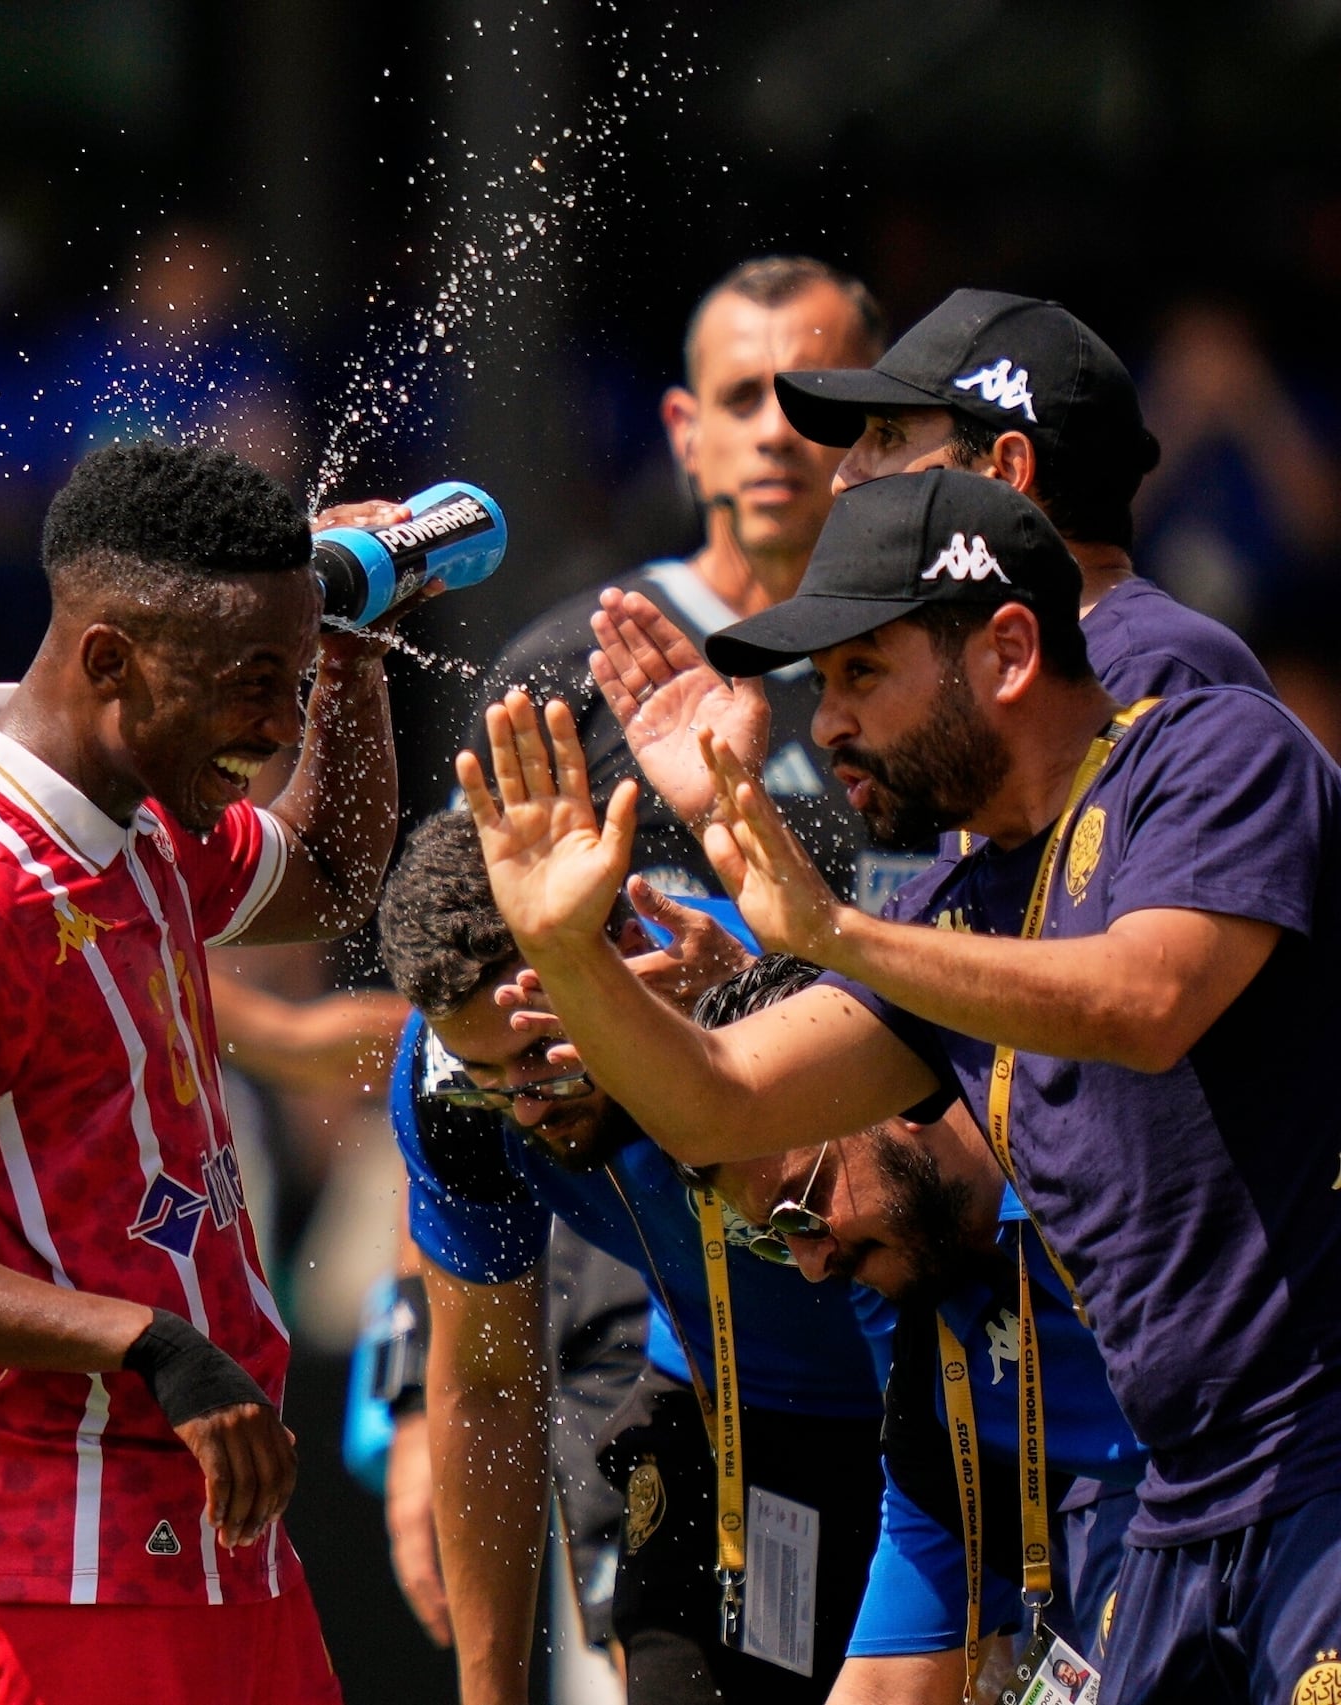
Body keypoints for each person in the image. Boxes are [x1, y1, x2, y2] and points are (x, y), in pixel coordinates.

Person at [465, 468, 1341, 1704]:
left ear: (1009, 648)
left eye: (858, 673)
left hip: (1319, 1469)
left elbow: (1146, 1003)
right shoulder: (962, 903)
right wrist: (561, 945)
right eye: (818, 685)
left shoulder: (1209, 750)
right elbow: (722, 1103)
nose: (823, 726)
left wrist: (832, 932)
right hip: (1182, 1514)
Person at [0, 441, 405, 1705]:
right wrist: (150, 1343)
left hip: (214, 1523)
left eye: (290, 683)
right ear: (110, 659)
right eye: (252, 685)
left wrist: (352, 651)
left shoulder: (140, 816)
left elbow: (331, 873)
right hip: (55, 1552)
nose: (278, 727)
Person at [375, 812, 882, 1704]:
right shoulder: (453, 1095)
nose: (527, 1107)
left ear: (609, 949)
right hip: (718, 1407)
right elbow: (488, 1385)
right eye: (486, 1073)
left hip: (931, 1410)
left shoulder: (743, 981)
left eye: (542, 1054)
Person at [687, 958, 1145, 1705]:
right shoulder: (946, 1384)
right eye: (772, 1238)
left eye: (803, 1205)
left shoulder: (1116, 1123)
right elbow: (885, 1686)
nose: (810, 1263)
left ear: (892, 1086)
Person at [482, 255, 916, 910]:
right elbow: (462, 972)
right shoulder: (565, 671)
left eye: (813, 398)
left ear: (879, 426)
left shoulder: (949, 661)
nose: (775, 432)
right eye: (742, 398)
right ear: (686, 432)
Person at [776, 287, 1271, 702]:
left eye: (887, 437)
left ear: (1007, 471)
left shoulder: (1161, 678)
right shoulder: (963, 673)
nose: (842, 479)